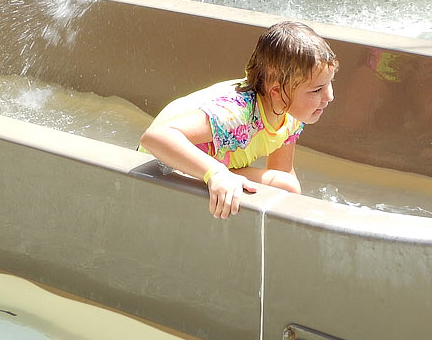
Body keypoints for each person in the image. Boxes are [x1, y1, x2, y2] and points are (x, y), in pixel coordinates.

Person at [139, 21, 337, 220]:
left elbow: (281, 173)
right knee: (286, 185)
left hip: (204, 169)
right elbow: (154, 137)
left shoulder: (288, 112)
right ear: (277, 90)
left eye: (330, 83)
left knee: (287, 186)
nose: (330, 96)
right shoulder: (237, 113)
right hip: (162, 165)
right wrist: (216, 173)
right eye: (317, 89)